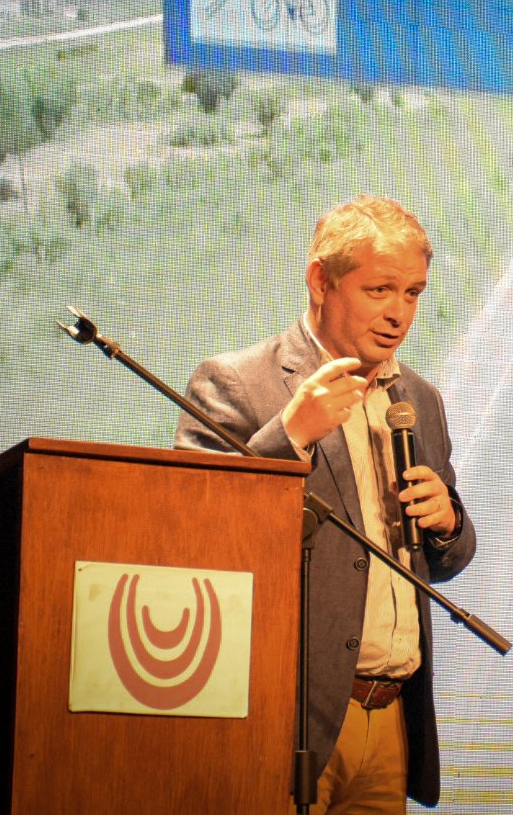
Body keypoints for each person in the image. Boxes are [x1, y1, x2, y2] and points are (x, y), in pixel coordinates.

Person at [176, 196, 476, 812]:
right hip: (289, 721)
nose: (399, 314)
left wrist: (448, 522)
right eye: (380, 290)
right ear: (321, 280)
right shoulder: (236, 383)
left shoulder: (419, 398)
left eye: (414, 294)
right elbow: (197, 536)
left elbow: (445, 560)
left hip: (390, 718)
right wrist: (288, 437)